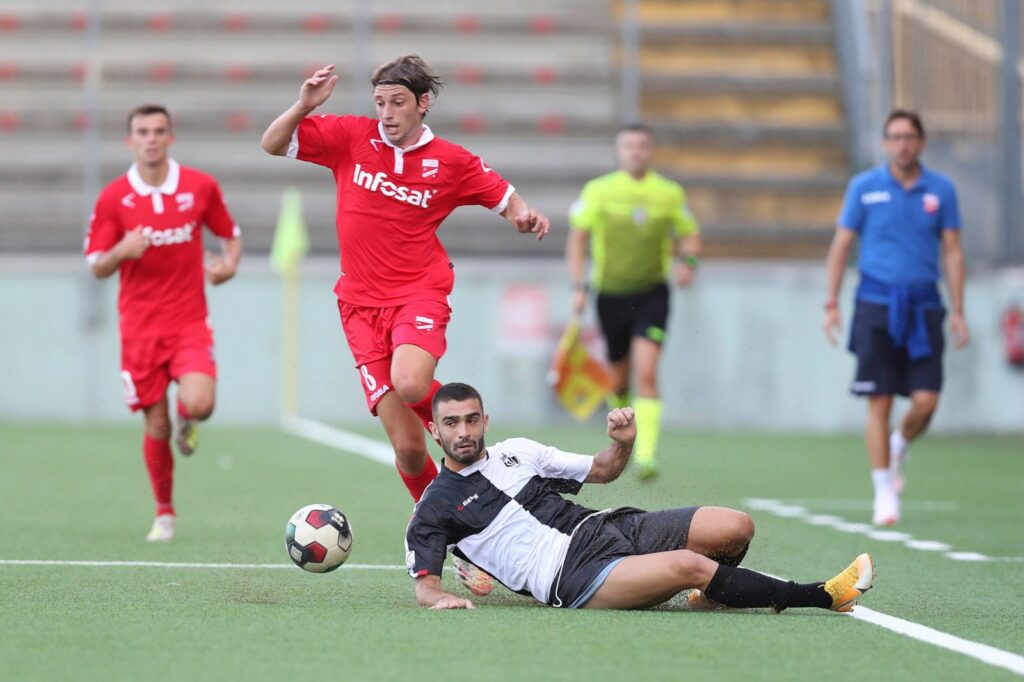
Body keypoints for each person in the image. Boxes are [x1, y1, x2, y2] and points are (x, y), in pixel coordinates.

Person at [260, 56, 549, 507]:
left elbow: (505, 198)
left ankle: (480, 452)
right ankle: (444, 524)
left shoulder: (450, 161)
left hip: (418, 294)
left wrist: (522, 216)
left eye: (397, 102)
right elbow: (272, 144)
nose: (387, 113)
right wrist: (303, 106)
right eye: (380, 103)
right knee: (410, 450)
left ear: (422, 103)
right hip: (358, 306)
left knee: (411, 383)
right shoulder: (352, 136)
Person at [406, 382, 875, 612]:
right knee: (689, 564)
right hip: (573, 576)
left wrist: (623, 443)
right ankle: (821, 596)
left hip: (608, 527)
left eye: (471, 420)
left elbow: (604, 469)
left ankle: (712, 597)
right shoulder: (434, 505)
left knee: (736, 527)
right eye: (451, 423)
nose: (463, 432)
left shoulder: (519, 452)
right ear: (434, 431)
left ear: (485, 421)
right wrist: (441, 597)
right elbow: (425, 585)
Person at [85, 104, 242, 542]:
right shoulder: (114, 197)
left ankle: (187, 415)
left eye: (158, 131)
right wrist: (122, 251)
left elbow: (230, 235)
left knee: (201, 403)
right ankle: (165, 513)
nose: (151, 139)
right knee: (156, 425)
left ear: (170, 138)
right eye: (142, 131)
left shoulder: (199, 186)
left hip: (189, 322)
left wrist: (228, 267)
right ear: (130, 140)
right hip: (139, 330)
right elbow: (96, 264)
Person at [824, 108, 968, 526]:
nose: (903, 144)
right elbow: (842, 244)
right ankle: (883, 489)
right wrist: (831, 302)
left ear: (921, 142)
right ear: (885, 142)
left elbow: (952, 250)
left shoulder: (941, 189)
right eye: (895, 137)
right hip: (875, 304)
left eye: (910, 136)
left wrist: (959, 310)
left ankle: (900, 442)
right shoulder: (864, 186)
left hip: (924, 305)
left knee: (927, 400)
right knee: (880, 399)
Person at [566, 123, 701, 481]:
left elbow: (689, 234)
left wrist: (688, 263)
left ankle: (645, 455)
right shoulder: (599, 190)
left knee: (647, 372)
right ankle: (623, 435)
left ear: (651, 150)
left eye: (642, 145)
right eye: (629, 145)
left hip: (652, 294)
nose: (636, 152)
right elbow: (577, 238)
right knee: (618, 382)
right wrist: (578, 286)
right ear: (619, 151)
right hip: (610, 296)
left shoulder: (668, 193)